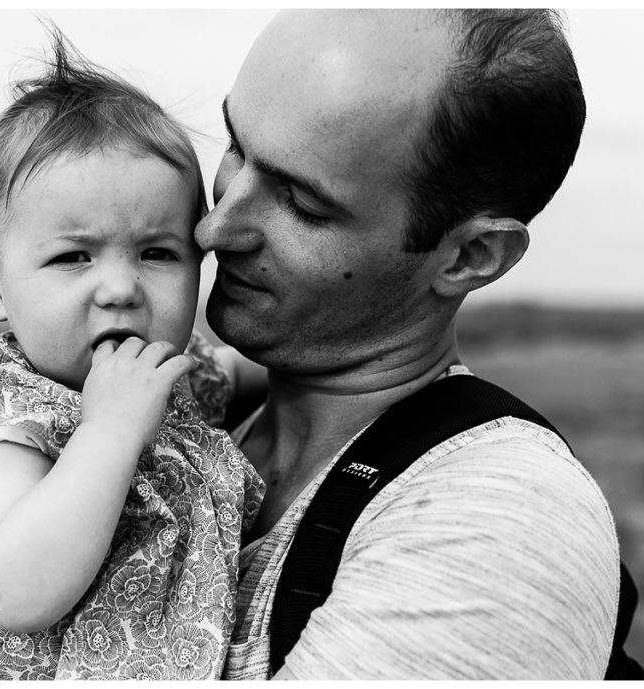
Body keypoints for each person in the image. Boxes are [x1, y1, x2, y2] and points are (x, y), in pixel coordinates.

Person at [197, 9, 621, 680]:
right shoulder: (185, 413)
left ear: (471, 255)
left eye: (303, 204)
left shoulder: (498, 524)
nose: (215, 228)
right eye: (234, 147)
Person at [0, 33, 265, 680]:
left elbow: (260, 374)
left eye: (158, 253)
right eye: (73, 257)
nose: (120, 287)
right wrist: (108, 432)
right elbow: (14, 588)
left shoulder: (171, 377)